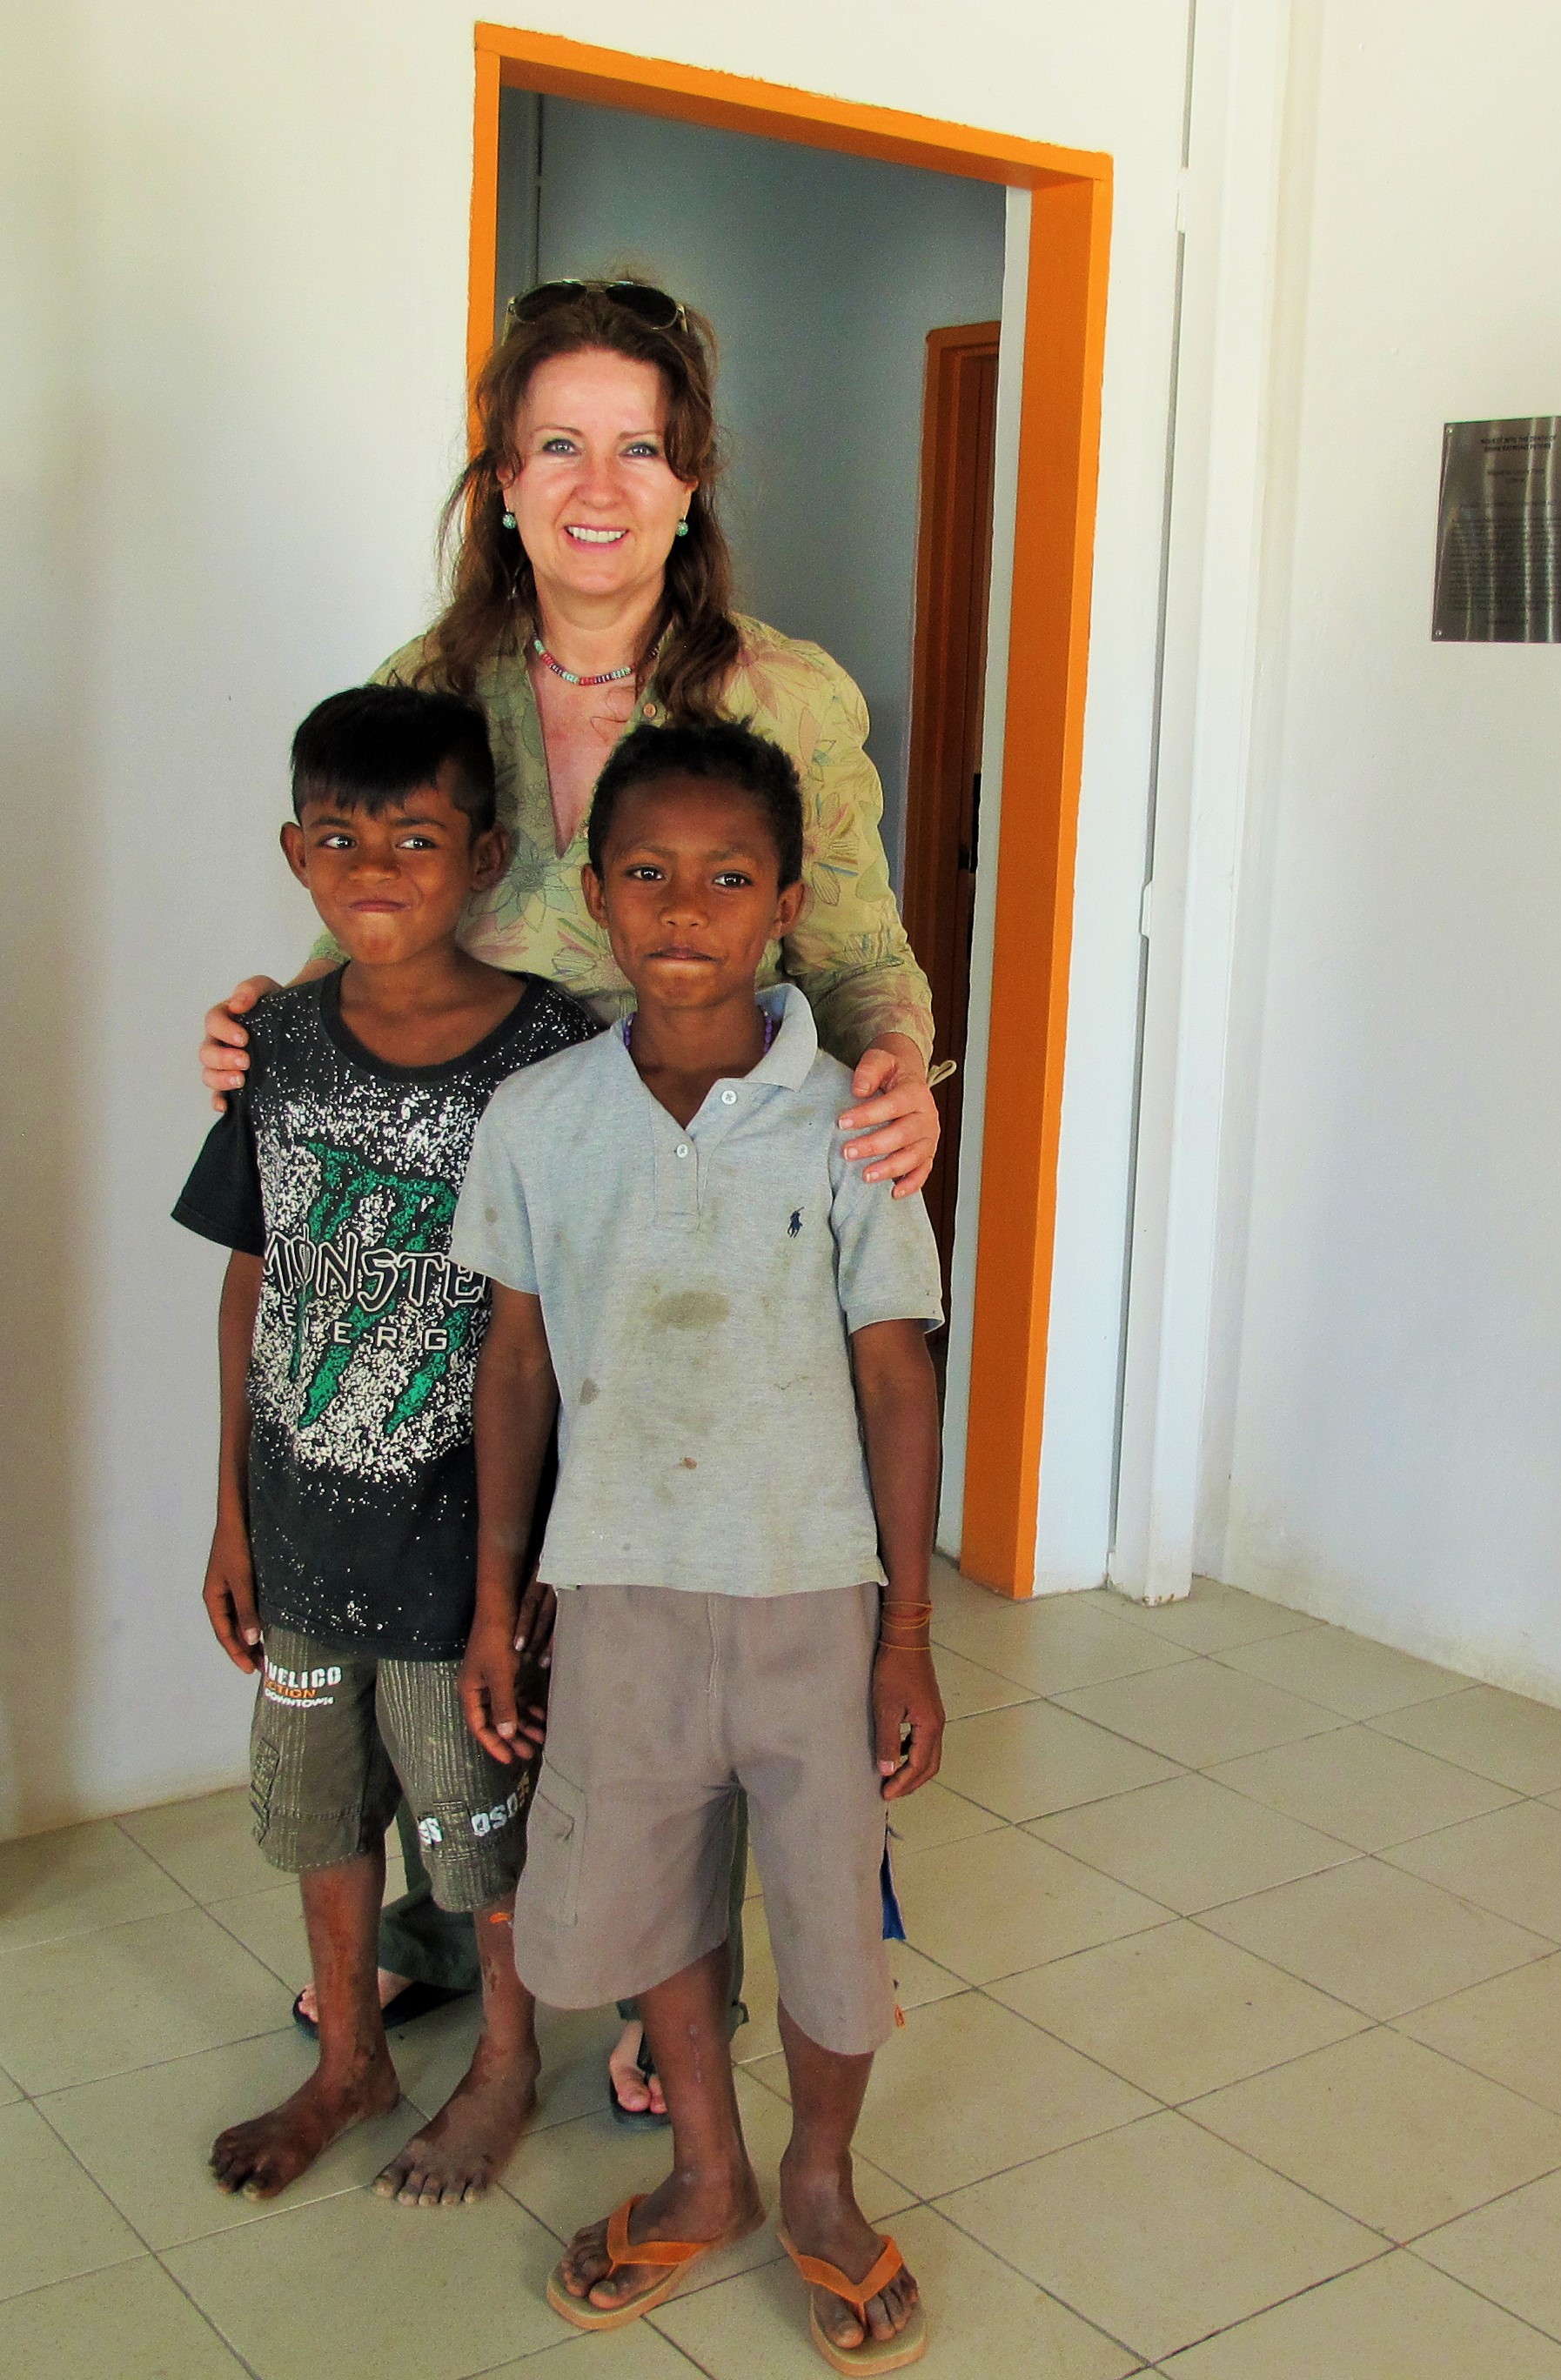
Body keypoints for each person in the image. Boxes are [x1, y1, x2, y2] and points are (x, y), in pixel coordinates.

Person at [195, 279, 943, 2112]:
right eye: (556, 445)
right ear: (504, 480)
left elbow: (861, 955)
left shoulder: (784, 694)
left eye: (637, 448)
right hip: (473, 1190)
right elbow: (381, 904)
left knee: (659, 1594)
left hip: (699, 1213)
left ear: (689, 482)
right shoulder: (429, 684)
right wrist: (270, 1018)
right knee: (457, 1559)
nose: (597, 486)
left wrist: (902, 1086)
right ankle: (458, 1922)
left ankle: (669, 1993)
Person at [454, 719, 941, 2369]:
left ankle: (820, 2182)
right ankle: (708, 2169)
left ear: (788, 903)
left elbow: (897, 1372)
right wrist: (498, 1597)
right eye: (648, 873)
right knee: (655, 1890)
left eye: (729, 879)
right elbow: (516, 1365)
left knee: (827, 1912)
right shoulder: (537, 1120)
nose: (685, 909)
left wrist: (908, 1636)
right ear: (594, 896)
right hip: (623, 1586)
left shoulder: (852, 1124)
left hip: (811, 1595)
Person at [173, 685, 597, 2205]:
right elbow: (253, 1275)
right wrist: (230, 1516)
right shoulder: (277, 1043)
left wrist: (531, 1574)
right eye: (339, 839)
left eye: (414, 839)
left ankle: (506, 2062)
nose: (373, 870)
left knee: (476, 1820)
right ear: (296, 853)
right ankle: (348, 2055)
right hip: (299, 1533)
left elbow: (563, 1333)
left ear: (482, 857)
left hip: (460, 1551)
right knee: (317, 1805)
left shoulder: (553, 1052)